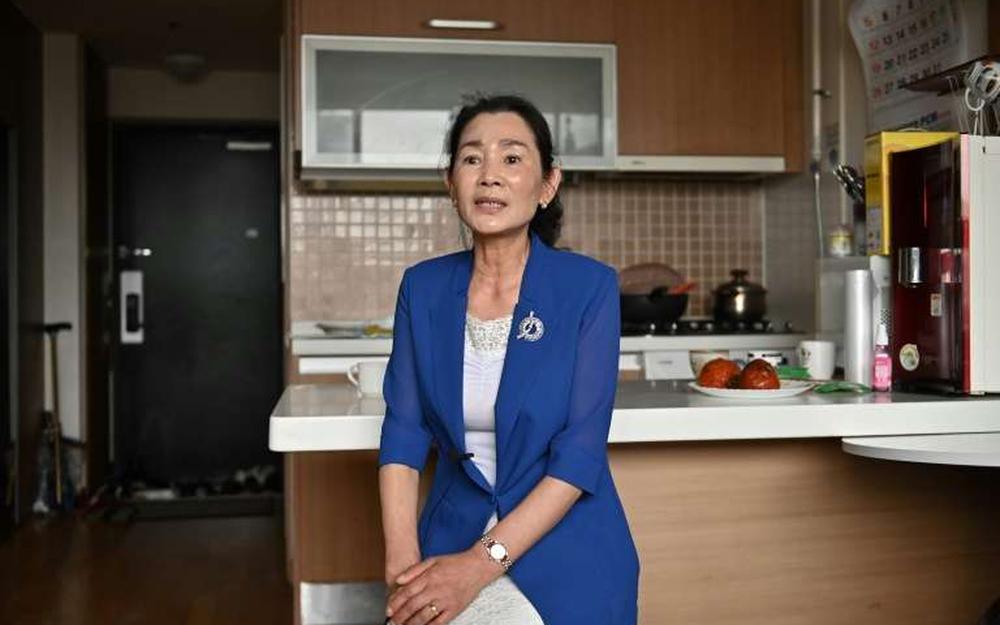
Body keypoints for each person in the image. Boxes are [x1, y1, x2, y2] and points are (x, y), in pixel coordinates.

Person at [378, 94, 639, 625]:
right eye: (472, 158)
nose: (489, 175)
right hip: (451, 535)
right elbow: (404, 432)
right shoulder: (422, 288)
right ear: (451, 182)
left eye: (512, 158)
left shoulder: (587, 287)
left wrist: (477, 567)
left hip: (566, 546)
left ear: (547, 185)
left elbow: (579, 455)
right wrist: (402, 560)